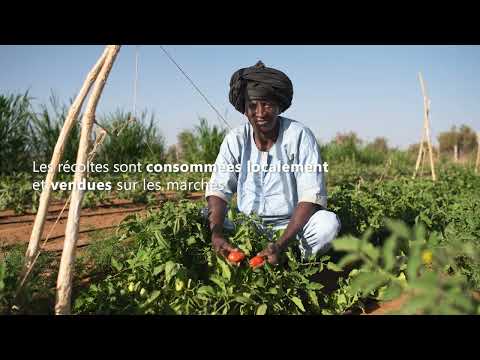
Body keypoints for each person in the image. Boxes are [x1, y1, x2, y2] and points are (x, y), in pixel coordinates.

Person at [205, 61, 340, 266]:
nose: (260, 112)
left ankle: (293, 258)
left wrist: (281, 243)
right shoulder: (236, 139)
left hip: (293, 226)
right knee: (205, 215)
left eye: (267, 104)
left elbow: (309, 197)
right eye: (252, 105)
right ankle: (236, 251)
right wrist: (216, 234)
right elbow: (218, 190)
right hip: (247, 225)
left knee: (327, 225)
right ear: (244, 109)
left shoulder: (299, 136)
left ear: (278, 106)